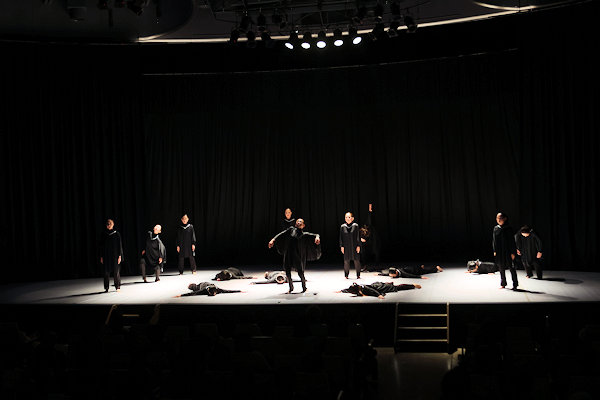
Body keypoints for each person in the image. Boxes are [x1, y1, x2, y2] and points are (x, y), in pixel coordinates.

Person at [268, 218, 321, 293]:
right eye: (297, 221)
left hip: (297, 256)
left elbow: (316, 235)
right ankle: (291, 288)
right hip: (288, 254)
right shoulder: (291, 230)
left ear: (303, 225)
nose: (299, 222)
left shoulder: (304, 234)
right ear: (295, 224)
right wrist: (273, 240)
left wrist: (317, 237)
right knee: (287, 271)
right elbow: (281, 234)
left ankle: (304, 287)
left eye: (300, 222)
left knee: (300, 272)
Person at [492, 213, 517, 290]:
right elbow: (494, 240)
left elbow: (512, 241)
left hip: (508, 251)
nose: (498, 220)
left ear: (505, 219)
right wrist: (495, 250)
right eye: (497, 218)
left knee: (511, 268)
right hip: (499, 251)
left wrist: (513, 252)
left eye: (500, 218)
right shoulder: (496, 228)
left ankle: (515, 284)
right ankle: (503, 283)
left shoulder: (508, 228)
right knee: (501, 268)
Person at [99, 219, 123, 292]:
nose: (109, 225)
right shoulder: (103, 234)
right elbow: (101, 246)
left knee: (116, 271)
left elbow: (119, 246)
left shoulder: (116, 234)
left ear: (113, 225)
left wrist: (120, 256)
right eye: (108, 224)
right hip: (106, 256)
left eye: (110, 224)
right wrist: (101, 256)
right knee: (106, 272)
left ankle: (117, 286)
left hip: (115, 255)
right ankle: (106, 287)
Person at [340, 212, 361, 279]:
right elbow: (341, 237)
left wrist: (358, 246)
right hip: (346, 246)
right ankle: (346, 275)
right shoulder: (343, 226)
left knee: (356, 260)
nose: (347, 218)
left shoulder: (355, 226)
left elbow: (358, 236)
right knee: (346, 261)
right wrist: (341, 246)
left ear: (352, 218)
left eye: (349, 217)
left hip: (354, 245)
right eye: (346, 217)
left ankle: (358, 275)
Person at [360, 203, 381, 270]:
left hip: (373, 239)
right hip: (366, 241)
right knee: (363, 250)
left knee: (376, 250)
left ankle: (376, 265)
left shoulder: (371, 226)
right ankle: (364, 265)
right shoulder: (363, 228)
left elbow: (370, 220)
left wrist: (370, 211)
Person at [340, 282, 421, 299]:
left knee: (397, 287)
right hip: (376, 285)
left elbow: (372, 290)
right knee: (395, 287)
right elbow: (348, 289)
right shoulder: (358, 289)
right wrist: (342, 291)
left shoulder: (364, 288)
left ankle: (412, 285)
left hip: (380, 288)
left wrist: (379, 295)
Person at [174, 282, 242, 297]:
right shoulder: (204, 290)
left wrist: (239, 291)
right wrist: (181, 295)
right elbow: (193, 293)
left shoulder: (218, 289)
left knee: (195, 289)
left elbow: (228, 291)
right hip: (201, 285)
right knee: (194, 288)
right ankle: (191, 284)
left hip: (208, 284)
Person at [378, 265, 443, 279]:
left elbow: (410, 275)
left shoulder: (403, 272)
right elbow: (387, 274)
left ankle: (436, 268)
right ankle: (420, 266)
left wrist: (420, 277)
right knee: (423, 268)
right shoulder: (393, 272)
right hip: (410, 268)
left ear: (396, 272)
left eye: (392, 276)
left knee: (426, 271)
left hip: (414, 271)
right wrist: (379, 274)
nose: (391, 276)